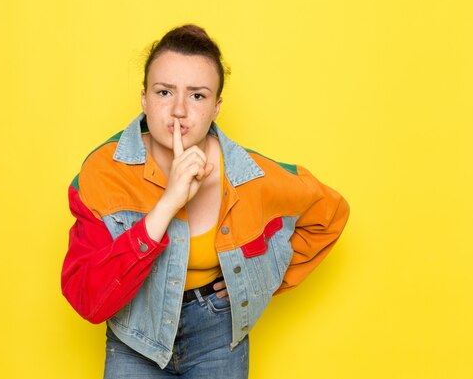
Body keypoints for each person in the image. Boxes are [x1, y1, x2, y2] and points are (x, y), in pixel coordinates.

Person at [61, 24, 350, 378]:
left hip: (218, 333)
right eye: (165, 92)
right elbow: (86, 300)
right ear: (144, 98)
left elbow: (329, 215)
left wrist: (257, 282)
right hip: (136, 333)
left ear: (216, 107)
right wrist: (168, 203)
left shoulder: (250, 176)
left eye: (197, 96)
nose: (179, 110)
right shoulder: (102, 172)